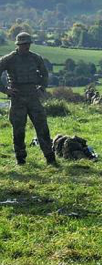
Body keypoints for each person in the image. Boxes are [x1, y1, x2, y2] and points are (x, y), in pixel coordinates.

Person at [0, 32, 57, 166]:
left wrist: (42, 88)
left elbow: (44, 74)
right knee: (18, 129)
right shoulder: (8, 59)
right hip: (17, 96)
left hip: (33, 96)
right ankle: (20, 159)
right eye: (24, 44)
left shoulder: (36, 58)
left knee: (42, 126)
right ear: (18, 45)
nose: (26, 46)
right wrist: (5, 90)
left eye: (28, 44)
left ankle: (50, 157)